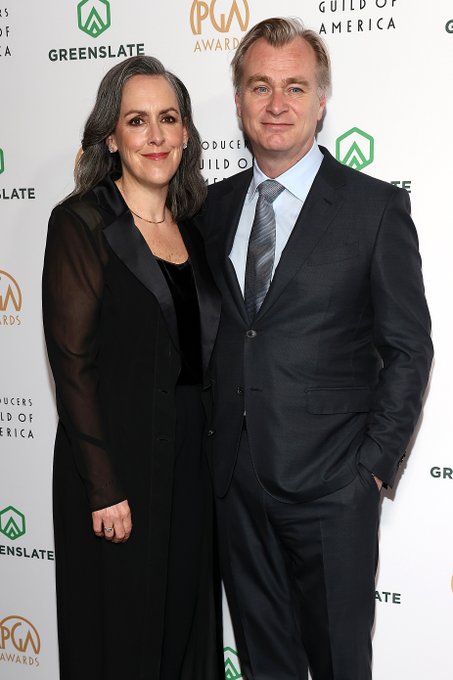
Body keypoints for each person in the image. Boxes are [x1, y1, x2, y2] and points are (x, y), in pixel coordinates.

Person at [201, 17, 433, 680]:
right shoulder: (210, 208)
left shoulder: (373, 208)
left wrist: (372, 471)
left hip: (334, 487)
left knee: (339, 665)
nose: (277, 103)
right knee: (263, 665)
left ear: (321, 101)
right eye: (260, 86)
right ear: (240, 100)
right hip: (235, 485)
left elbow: (408, 348)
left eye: (295, 87)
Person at [42, 55, 222, 680]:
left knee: (183, 633)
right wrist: (103, 487)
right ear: (112, 138)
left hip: (191, 466)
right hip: (116, 464)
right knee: (120, 640)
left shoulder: (197, 229)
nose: (156, 135)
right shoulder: (82, 223)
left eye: (168, 119)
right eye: (137, 121)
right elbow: (71, 363)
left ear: (186, 133)